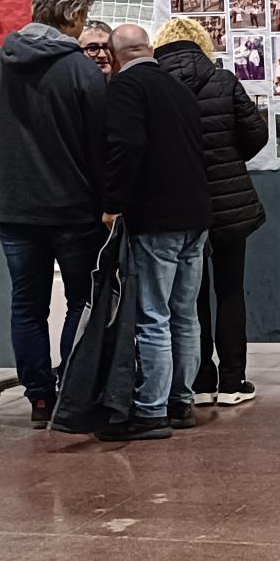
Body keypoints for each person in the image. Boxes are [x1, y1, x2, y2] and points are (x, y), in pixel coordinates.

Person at [0, 0, 107, 428]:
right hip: (73, 210)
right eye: (83, 17)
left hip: (13, 211)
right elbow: (99, 144)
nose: (82, 26)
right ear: (70, 16)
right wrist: (107, 201)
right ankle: (73, 389)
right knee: (82, 301)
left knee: (26, 306)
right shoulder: (81, 70)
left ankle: (40, 400)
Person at [102, 24, 213, 439]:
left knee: (153, 315)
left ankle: (150, 411)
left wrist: (112, 204)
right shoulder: (179, 90)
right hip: (196, 215)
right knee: (186, 315)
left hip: (156, 217)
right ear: (150, 49)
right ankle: (180, 402)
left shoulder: (125, 90)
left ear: (116, 57)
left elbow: (126, 146)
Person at [154, 16, 268, 406]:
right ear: (202, 43)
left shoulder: (156, 84)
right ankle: (233, 383)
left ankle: (200, 381)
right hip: (229, 202)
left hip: (180, 202)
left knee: (189, 296)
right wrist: (231, 159)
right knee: (231, 290)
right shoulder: (223, 80)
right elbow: (257, 133)